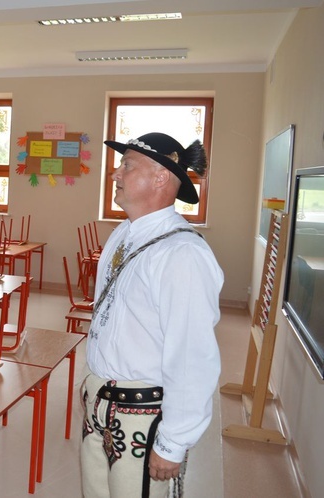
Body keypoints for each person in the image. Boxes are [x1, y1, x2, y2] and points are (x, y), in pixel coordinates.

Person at [80, 132, 223, 498]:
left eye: (126, 165)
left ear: (160, 177)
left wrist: (173, 442)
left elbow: (192, 357)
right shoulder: (124, 233)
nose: (115, 174)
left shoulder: (182, 254)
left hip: (142, 416)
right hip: (100, 405)